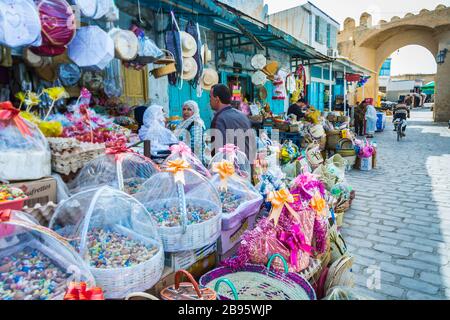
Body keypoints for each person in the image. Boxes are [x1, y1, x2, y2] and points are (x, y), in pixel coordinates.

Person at [210, 84, 256, 162]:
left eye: (210, 97)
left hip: (230, 169)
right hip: (247, 166)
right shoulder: (242, 116)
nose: (210, 100)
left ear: (217, 99)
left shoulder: (219, 118)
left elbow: (218, 152)